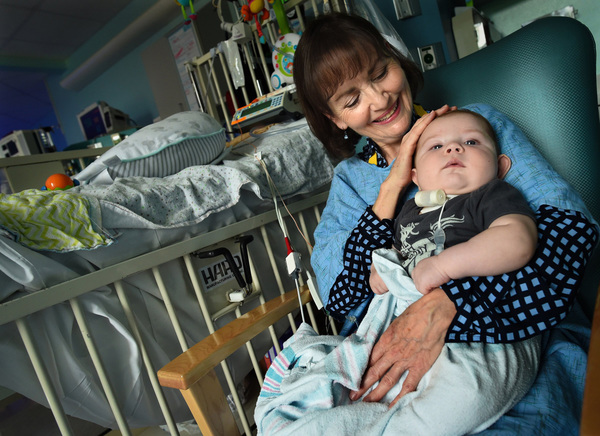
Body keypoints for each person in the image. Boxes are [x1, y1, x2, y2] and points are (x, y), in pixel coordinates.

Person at [291, 11, 596, 412]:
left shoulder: (474, 127)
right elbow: (342, 297)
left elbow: (571, 233)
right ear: (335, 119)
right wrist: (392, 186)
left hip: (516, 339)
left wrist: (451, 301)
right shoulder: (350, 182)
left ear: (396, 61)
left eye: (380, 73)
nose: (379, 100)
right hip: (393, 355)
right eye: (352, 100)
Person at [370, 109, 538, 297]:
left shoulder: (491, 195)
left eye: (471, 142)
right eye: (436, 146)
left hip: (465, 302)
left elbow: (518, 240)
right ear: (416, 177)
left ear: (499, 167)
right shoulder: (410, 209)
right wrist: (381, 269)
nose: (452, 147)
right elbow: (397, 251)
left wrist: (443, 266)